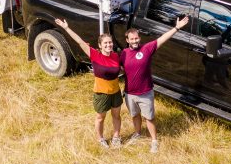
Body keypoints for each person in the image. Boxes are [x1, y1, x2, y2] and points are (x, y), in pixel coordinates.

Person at [120, 16, 189, 153]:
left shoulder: (147, 49)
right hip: (129, 93)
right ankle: (137, 133)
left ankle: (154, 141)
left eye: (136, 38)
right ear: (127, 40)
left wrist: (176, 28)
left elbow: (162, 38)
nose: (135, 41)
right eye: (132, 39)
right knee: (135, 115)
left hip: (145, 93)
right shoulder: (123, 53)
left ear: (139, 38)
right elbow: (119, 67)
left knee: (149, 118)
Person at [54, 19, 123, 149]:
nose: (108, 45)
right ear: (100, 45)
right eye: (105, 43)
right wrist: (66, 28)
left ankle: (116, 137)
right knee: (100, 117)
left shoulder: (115, 56)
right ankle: (100, 139)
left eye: (110, 42)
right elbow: (80, 41)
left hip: (115, 92)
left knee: (116, 116)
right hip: (101, 93)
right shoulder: (95, 55)